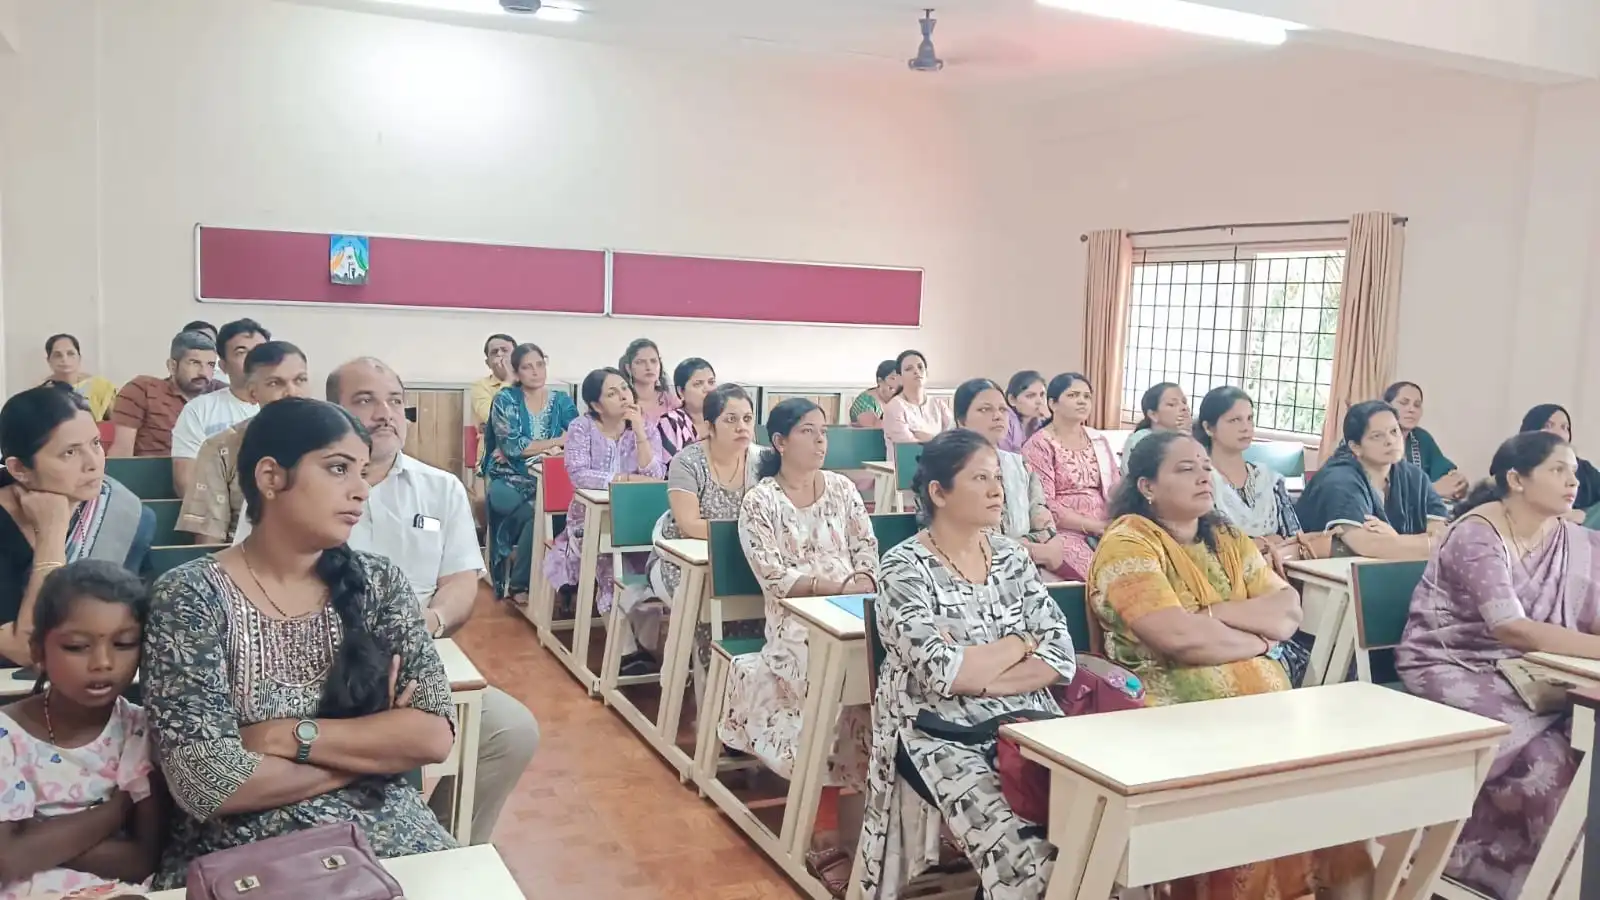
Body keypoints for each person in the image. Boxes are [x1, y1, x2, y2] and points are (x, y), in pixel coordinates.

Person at [143, 397, 457, 887]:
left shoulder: (378, 582)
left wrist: (286, 736)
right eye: (338, 469)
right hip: (246, 855)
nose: (361, 491)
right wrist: (372, 753)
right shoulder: (190, 597)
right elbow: (208, 783)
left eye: (363, 471)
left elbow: (432, 736)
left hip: (390, 836)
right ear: (271, 477)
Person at [237, 359, 543, 846]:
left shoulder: (440, 488)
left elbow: (462, 580)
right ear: (334, 411)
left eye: (396, 401)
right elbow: (259, 580)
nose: (385, 413)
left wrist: (427, 623)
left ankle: (446, 843)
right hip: (315, 663)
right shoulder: (293, 495)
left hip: (417, 651)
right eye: (365, 401)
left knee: (510, 731)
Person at [1088, 430, 1371, 898]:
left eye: (1204, 466)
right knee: (1252, 816)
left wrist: (1212, 615)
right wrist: (1258, 642)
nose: (1204, 475)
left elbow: (1287, 612)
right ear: (1147, 487)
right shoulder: (1129, 545)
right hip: (1176, 717)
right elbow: (1178, 638)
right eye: (1185, 469)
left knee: (1340, 807)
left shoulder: (1227, 537)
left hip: (1265, 714)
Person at [857, 430, 1077, 900]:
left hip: (1029, 718)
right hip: (936, 731)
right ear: (938, 492)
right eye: (980, 478)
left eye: (997, 477)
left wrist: (982, 676)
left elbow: (1059, 654)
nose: (998, 489)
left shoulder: (1012, 556)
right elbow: (944, 674)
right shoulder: (903, 568)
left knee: (1094, 828)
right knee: (1026, 854)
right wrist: (1022, 641)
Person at [1398, 431, 1600, 899]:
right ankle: (1486, 866)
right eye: (1557, 470)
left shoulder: (1571, 537)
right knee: (1549, 763)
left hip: (1530, 665)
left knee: (1579, 741)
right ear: (1517, 479)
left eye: (1573, 470)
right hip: (1455, 660)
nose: (1572, 481)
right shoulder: (1476, 533)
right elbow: (1512, 628)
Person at [723, 398, 876, 889]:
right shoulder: (760, 501)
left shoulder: (844, 490)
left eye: (823, 432)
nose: (820, 441)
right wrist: (834, 587)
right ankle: (823, 830)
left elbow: (868, 550)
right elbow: (773, 575)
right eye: (808, 432)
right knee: (830, 687)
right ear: (781, 442)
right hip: (796, 623)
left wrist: (860, 580)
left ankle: (897, 819)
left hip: (853, 611)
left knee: (896, 677)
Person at [0, 561, 164, 899]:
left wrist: (37, 838)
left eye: (124, 644)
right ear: (37, 651)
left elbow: (141, 860)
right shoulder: (7, 735)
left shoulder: (141, 730)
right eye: (76, 646)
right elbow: (6, 862)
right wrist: (115, 812)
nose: (102, 662)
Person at [0, 385, 154, 667]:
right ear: (20, 469)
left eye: (95, 444)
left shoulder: (124, 513)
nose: (94, 463)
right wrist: (51, 534)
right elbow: (29, 650)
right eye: (69, 453)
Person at [645, 384, 764, 698]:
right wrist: (751, 534)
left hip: (741, 559)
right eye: (731, 419)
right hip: (680, 561)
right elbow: (689, 524)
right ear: (709, 426)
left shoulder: (762, 461)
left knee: (767, 610)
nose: (742, 427)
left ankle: (753, 701)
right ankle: (716, 705)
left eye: (748, 419)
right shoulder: (688, 461)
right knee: (708, 613)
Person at [542, 367, 666, 647]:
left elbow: (655, 474)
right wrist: (624, 479)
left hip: (637, 522)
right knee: (609, 564)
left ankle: (645, 651)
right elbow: (578, 474)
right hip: (589, 521)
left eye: (624, 388)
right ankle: (624, 653)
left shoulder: (644, 426)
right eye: (612, 393)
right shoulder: (581, 428)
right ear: (596, 405)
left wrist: (639, 432)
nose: (623, 396)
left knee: (650, 570)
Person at [175, 341, 311, 544]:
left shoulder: (335, 440)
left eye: (300, 380)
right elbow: (209, 541)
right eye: (275, 383)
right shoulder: (222, 448)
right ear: (253, 393)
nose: (291, 392)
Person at [483, 343, 579, 603]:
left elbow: (576, 439)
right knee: (541, 511)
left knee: (551, 509)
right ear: (516, 372)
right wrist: (555, 441)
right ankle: (521, 583)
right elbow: (513, 447)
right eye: (527, 367)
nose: (535, 372)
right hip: (508, 478)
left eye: (540, 364)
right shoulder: (505, 399)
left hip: (547, 479)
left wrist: (546, 445)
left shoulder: (562, 400)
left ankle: (536, 580)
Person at [1295, 400, 1448, 558]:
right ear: (1356, 447)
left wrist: (1395, 539)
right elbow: (1367, 545)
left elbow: (1443, 536)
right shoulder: (1339, 479)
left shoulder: (1415, 476)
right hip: (1318, 574)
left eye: (1394, 431)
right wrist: (1422, 543)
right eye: (1377, 436)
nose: (1390, 441)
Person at [954, 378, 1070, 578]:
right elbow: (965, 538)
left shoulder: (1019, 465)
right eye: (985, 410)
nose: (997, 416)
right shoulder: (947, 468)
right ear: (961, 421)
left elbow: (1041, 515)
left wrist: (1046, 544)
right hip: (971, 570)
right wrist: (1029, 549)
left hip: (1026, 564)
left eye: (1002, 409)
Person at [1019, 373, 1120, 580]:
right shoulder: (1039, 444)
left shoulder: (1098, 440)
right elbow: (1044, 502)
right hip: (1062, 531)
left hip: (1107, 524)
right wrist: (1093, 526)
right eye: (1073, 395)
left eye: (1087, 396)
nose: (1082, 401)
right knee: (1102, 578)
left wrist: (1115, 522)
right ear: (1053, 403)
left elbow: (1116, 487)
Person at [169, 319, 270, 497]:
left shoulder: (287, 408)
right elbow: (186, 483)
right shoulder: (199, 410)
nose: (254, 359)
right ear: (223, 365)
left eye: (261, 352)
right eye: (241, 352)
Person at [1193, 386, 1301, 549]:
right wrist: (1267, 542)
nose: (1246, 427)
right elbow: (1211, 548)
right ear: (1208, 428)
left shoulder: (1269, 479)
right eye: (1234, 420)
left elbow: (1296, 539)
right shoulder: (1201, 482)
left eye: (1249, 418)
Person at [107, 330, 220, 458]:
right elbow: (122, 453)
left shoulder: (221, 393)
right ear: (172, 366)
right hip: (153, 475)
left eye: (210, 365)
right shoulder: (143, 390)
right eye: (195, 363)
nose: (203, 373)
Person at [1385, 381, 1468, 501]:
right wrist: (1431, 490)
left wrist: (1458, 482)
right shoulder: (1374, 439)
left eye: (1417, 405)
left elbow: (1444, 471)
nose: (1411, 409)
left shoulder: (1421, 438)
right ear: (1386, 406)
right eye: (1404, 403)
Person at [1520, 403, 1600, 510]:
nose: (1558, 433)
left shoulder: (1584, 469)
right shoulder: (1515, 463)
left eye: (1564, 427)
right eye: (1548, 426)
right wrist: (1564, 516)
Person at [881, 350, 953, 455]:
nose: (916, 371)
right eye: (909, 369)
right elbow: (910, 448)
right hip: (904, 467)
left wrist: (925, 438)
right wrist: (937, 440)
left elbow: (952, 441)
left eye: (920, 367)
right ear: (899, 378)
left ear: (926, 374)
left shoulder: (938, 404)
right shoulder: (894, 407)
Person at [41, 333, 118, 422]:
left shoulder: (101, 386)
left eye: (70, 353)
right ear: (49, 361)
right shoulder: (42, 393)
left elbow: (117, 423)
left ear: (79, 358)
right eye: (58, 355)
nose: (64, 359)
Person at [1119, 382, 1190, 469]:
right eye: (1172, 404)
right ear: (1153, 415)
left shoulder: (1192, 437)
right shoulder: (1139, 440)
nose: (1184, 407)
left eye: (1184, 402)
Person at [656, 357, 716, 458]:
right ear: (681, 391)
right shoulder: (670, 423)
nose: (708, 389)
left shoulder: (722, 417)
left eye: (711, 382)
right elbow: (670, 469)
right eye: (698, 384)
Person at [620, 338, 679, 426]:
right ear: (629, 368)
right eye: (640, 362)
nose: (649, 367)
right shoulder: (624, 401)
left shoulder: (669, 399)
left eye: (653, 361)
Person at [470, 333, 517, 428]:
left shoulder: (528, 382)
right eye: (494, 352)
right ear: (488, 363)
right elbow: (494, 419)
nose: (499, 354)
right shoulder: (480, 386)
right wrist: (508, 381)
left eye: (504, 350)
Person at [999, 369, 1047, 453]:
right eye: (1030, 396)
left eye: (1042, 395)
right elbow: (1006, 459)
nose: (1039, 401)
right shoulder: (1004, 420)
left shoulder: (1040, 422)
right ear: (1012, 400)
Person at [848, 360, 900, 428]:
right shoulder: (865, 400)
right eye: (893, 378)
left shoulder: (898, 400)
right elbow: (874, 427)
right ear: (880, 381)